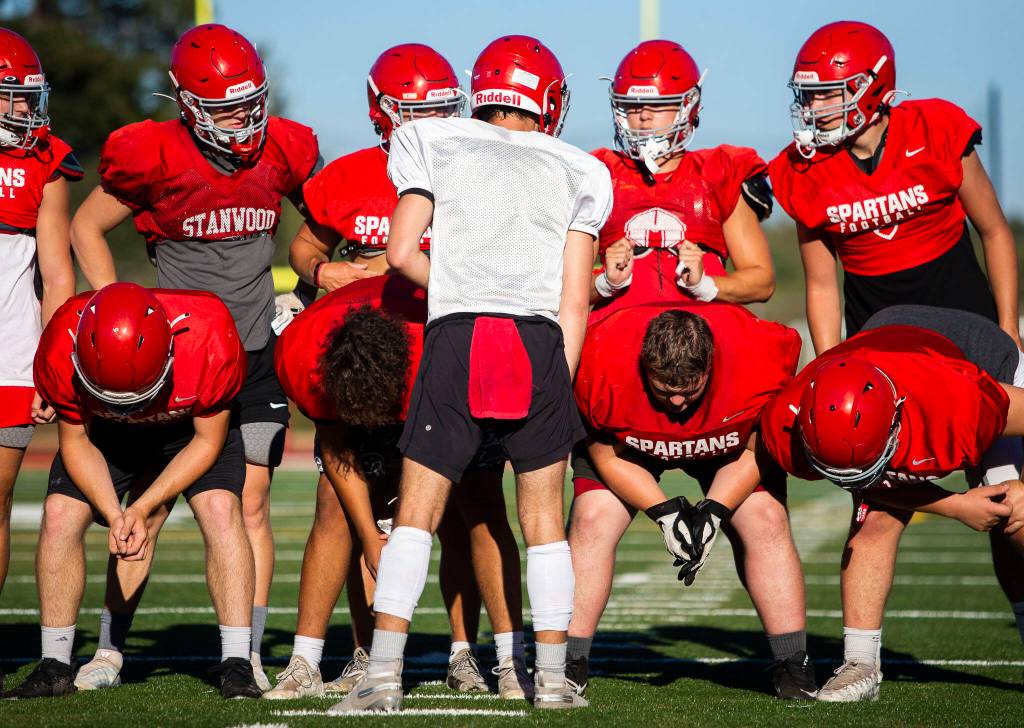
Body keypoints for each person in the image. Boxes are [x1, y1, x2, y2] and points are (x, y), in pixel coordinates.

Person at [330, 34, 612, 713]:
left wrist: (458, 282)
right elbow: (574, 299)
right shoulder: (581, 167)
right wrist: (556, 381)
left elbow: (399, 252)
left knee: (419, 517)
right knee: (543, 522)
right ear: (548, 100)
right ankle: (548, 680)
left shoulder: (433, 140)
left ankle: (384, 680)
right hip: (539, 340)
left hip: (458, 332)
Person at [67, 24, 321, 691]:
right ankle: (109, 649)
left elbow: (320, 223)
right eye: (228, 107)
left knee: (251, 500)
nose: (245, 118)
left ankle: (247, 653)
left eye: (251, 102)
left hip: (256, 349)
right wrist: (112, 304)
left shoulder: (284, 149)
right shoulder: (155, 155)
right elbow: (85, 226)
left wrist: (313, 280)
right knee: (149, 504)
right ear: (187, 103)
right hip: (179, 358)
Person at [269, 44, 527, 699]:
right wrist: (319, 271)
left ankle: (471, 652)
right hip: (373, 361)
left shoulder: (478, 172)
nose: (427, 123)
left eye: (440, 109)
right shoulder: (352, 174)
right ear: (380, 112)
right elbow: (308, 242)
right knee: (339, 504)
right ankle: (325, 656)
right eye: (413, 111)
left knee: (470, 505)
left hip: (451, 354)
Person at [267, 273, 529, 699]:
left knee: (476, 502)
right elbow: (337, 447)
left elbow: (433, 469)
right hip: (363, 374)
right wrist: (372, 536)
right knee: (332, 503)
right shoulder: (302, 353)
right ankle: (305, 663)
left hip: (442, 391)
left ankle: (491, 658)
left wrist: (404, 527)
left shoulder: (441, 354)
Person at [6, 282, 261, 700]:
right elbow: (75, 442)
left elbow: (208, 441)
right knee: (59, 513)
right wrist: (114, 510)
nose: (130, 407)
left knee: (220, 507)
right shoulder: (60, 340)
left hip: (188, 430)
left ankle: (236, 664)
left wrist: (141, 507)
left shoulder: (210, 334)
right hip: (104, 434)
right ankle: (54, 665)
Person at [760, 304, 1024, 701]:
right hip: (881, 340)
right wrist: (954, 504)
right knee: (874, 520)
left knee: (1016, 516)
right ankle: (861, 665)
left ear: (897, 421)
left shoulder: (962, 403)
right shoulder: (786, 422)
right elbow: (873, 488)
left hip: (972, 352)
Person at [568, 301, 817, 700]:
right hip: (629, 445)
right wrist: (665, 514)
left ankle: (793, 664)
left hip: (729, 439)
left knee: (766, 518)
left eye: (690, 391)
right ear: (644, 369)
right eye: (665, 391)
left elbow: (761, 447)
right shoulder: (599, 357)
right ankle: (569, 660)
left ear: (711, 367)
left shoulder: (760, 355)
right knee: (592, 518)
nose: (679, 405)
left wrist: (715, 510)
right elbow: (604, 454)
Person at [769, 20, 1019, 353]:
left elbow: (994, 231)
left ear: (870, 86)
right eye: (808, 96)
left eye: (826, 93)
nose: (813, 107)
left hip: (966, 321)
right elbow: (821, 284)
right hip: (878, 338)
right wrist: (828, 362)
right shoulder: (805, 168)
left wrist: (1009, 329)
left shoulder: (936, 131)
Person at [588, 40, 775, 321]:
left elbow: (762, 281)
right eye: (632, 106)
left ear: (688, 107)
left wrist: (706, 285)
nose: (643, 116)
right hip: (618, 340)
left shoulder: (720, 171)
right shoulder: (599, 173)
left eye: (657, 104)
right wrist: (605, 282)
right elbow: (561, 286)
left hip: (703, 336)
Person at [0, 28, 82, 608]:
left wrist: (47, 364)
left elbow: (57, 276)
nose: (25, 108)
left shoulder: (44, 162)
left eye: (30, 96)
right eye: (12, 95)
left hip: (11, 351)